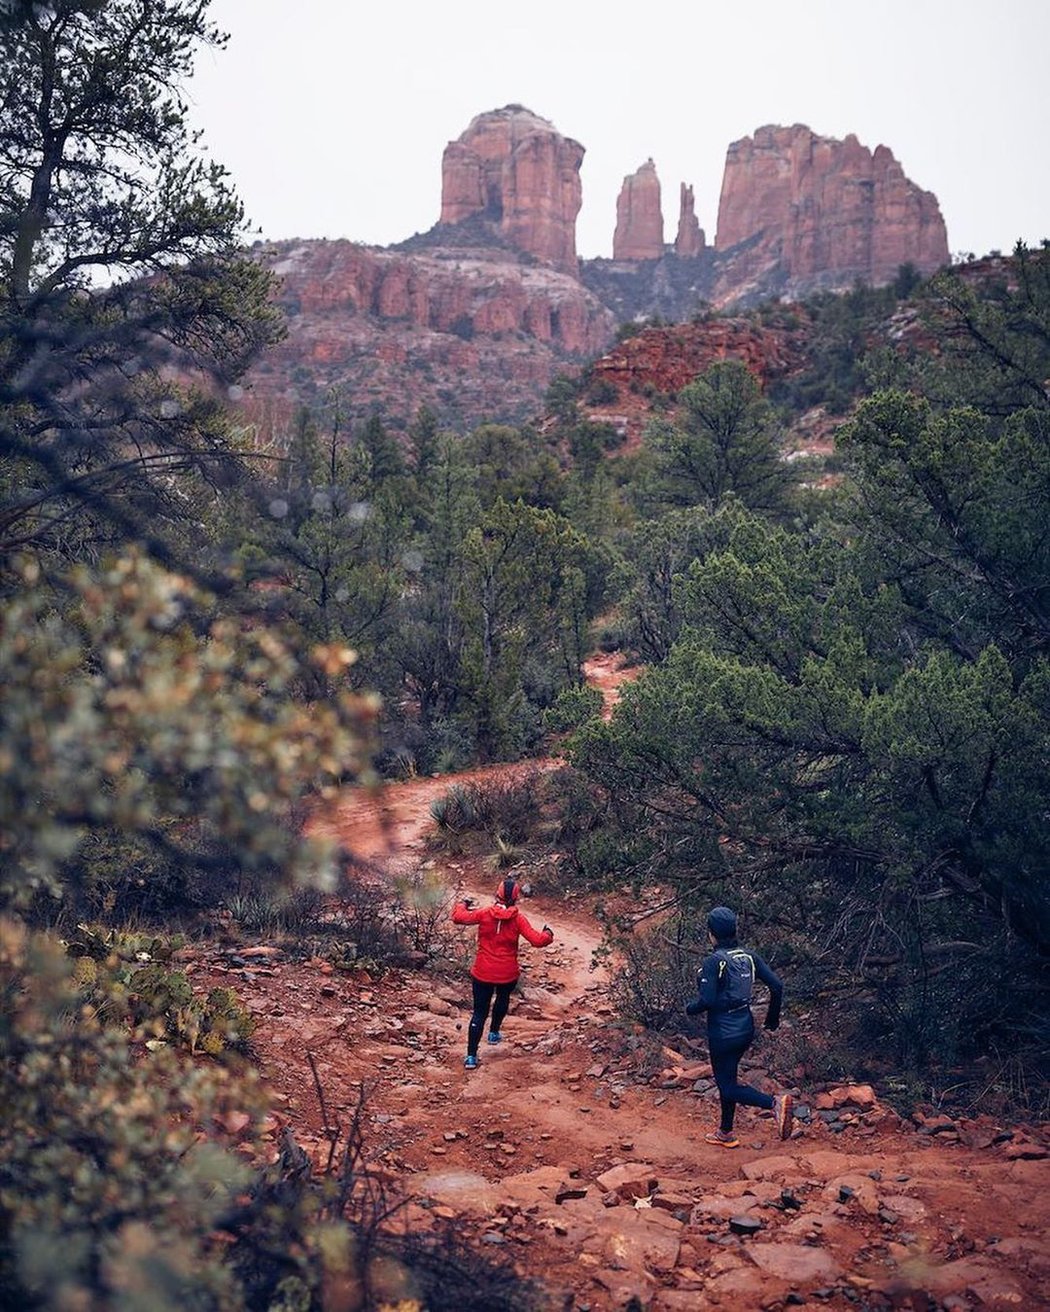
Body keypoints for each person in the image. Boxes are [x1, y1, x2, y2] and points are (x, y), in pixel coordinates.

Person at [685, 905, 794, 1147]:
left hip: (722, 1032)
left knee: (726, 1086)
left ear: (711, 933)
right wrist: (772, 1020)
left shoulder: (714, 961)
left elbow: (707, 1001)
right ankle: (725, 1132)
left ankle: (774, 1104)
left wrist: (689, 1008)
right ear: (735, 929)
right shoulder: (748, 956)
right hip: (745, 1028)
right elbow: (777, 986)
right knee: (729, 1077)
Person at [451, 877, 554, 1070]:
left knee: (479, 1012)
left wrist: (462, 903)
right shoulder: (518, 920)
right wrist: (548, 934)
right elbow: (537, 940)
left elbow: (458, 917)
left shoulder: (484, 913)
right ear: (516, 899)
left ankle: (471, 1057)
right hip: (507, 972)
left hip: (482, 971)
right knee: (502, 998)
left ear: (497, 895)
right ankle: (494, 1033)